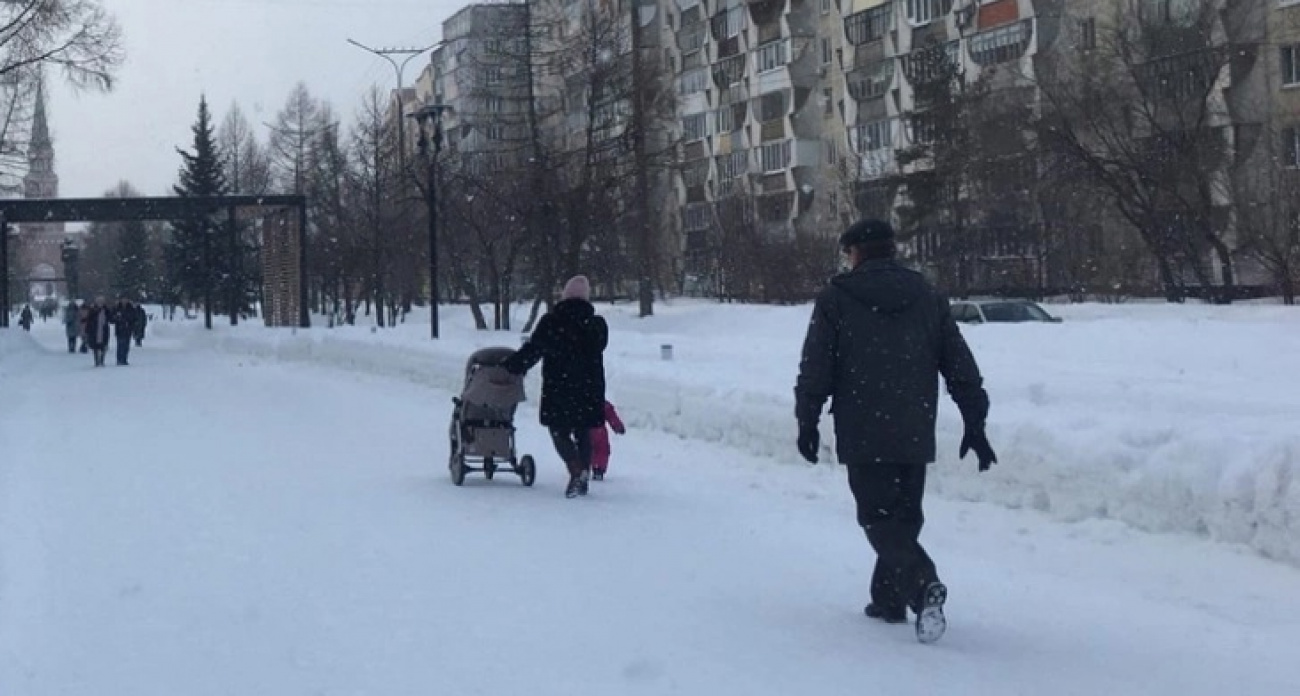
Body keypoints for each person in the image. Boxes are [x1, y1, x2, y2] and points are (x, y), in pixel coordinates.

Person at [793, 219, 997, 645]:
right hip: (914, 424)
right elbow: (960, 364)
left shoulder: (835, 299)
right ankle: (887, 598)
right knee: (904, 516)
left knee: (880, 519)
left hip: (862, 428)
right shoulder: (928, 296)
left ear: (854, 252)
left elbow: (817, 367)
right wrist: (974, 419)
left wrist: (807, 419)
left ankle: (922, 584)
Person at [503, 275, 609, 499]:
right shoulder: (597, 325)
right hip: (589, 388)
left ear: (564, 296)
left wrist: (513, 366)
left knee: (559, 431)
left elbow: (534, 350)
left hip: (559, 387)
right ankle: (584, 475)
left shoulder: (552, 322)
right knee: (583, 431)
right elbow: (598, 346)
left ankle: (575, 469)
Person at [590, 400, 626, 481]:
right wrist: (618, 426)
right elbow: (611, 416)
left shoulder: (580, 401)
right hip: (599, 430)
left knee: (583, 448)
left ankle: (580, 467)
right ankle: (598, 469)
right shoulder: (602, 403)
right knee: (602, 450)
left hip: (584, 429)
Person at [85, 297, 112, 367]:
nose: (100, 303)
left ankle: (102, 360)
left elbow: (110, 318)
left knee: (104, 345)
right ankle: (97, 361)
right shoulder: (92, 310)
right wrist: (87, 330)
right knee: (95, 346)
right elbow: (88, 319)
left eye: (102, 302)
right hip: (94, 330)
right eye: (99, 302)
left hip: (104, 330)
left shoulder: (106, 310)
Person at [111, 298, 137, 366]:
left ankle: (124, 359)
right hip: (119, 329)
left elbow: (134, 318)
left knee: (126, 345)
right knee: (120, 345)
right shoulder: (117, 308)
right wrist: (117, 318)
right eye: (123, 299)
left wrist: (128, 321)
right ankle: (119, 359)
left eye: (126, 299)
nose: (124, 301)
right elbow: (112, 319)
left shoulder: (131, 308)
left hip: (128, 329)